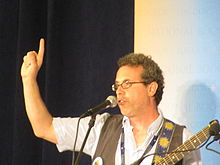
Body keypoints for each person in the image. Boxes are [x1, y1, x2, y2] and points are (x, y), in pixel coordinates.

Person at [21, 38, 202, 165]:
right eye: (117, 86)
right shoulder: (100, 127)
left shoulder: (182, 138)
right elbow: (44, 128)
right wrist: (28, 80)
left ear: (151, 88)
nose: (119, 91)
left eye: (127, 83)